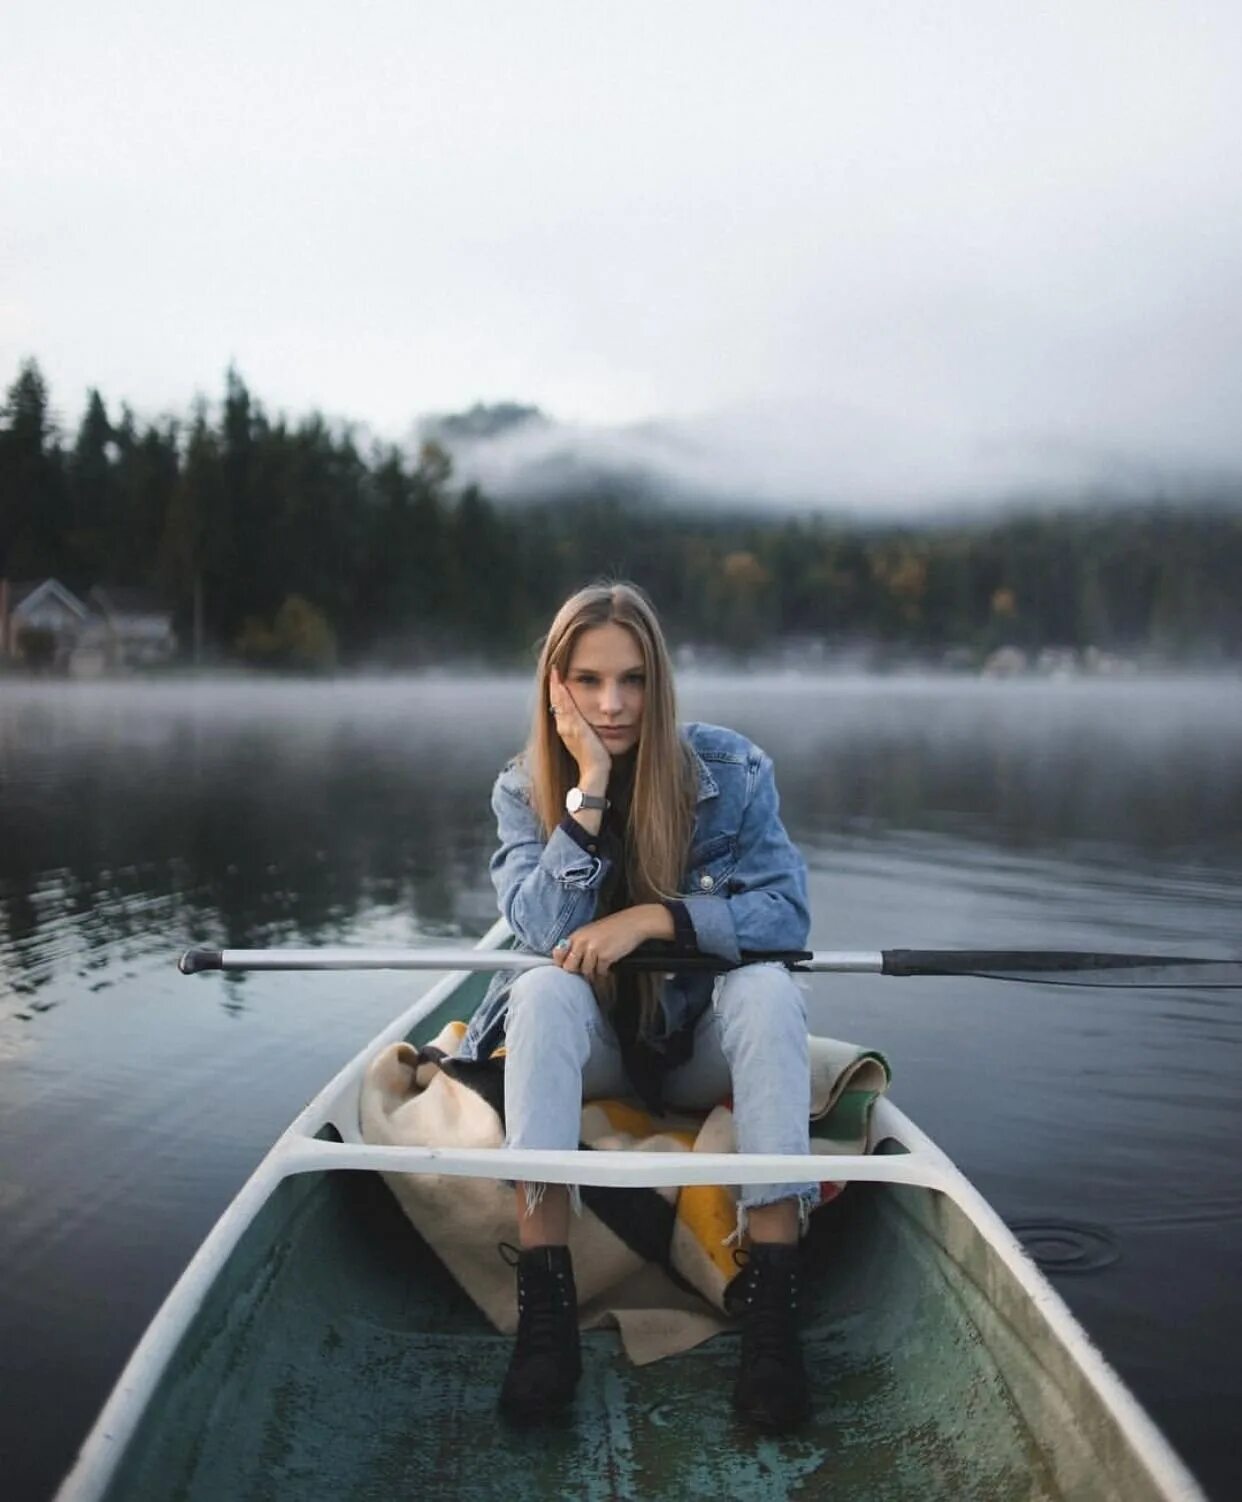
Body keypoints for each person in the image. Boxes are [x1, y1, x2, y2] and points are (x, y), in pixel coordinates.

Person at [456, 581, 815, 1430]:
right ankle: (546, 1314)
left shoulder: (731, 771)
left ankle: (772, 1319)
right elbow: (539, 928)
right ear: (556, 686)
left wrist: (655, 917)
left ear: (660, 683)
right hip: (601, 1049)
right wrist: (588, 789)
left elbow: (787, 915)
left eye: (633, 680)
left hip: (699, 1048)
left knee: (768, 986)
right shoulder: (524, 790)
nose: (613, 704)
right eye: (588, 680)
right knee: (542, 987)